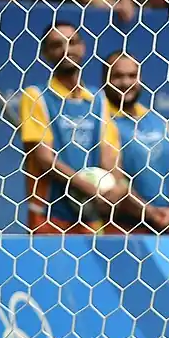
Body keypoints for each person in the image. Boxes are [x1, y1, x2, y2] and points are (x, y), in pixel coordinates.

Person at [19, 21, 127, 234]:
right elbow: (44, 159)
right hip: (49, 215)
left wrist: (116, 186)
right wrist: (89, 188)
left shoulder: (98, 99)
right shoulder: (36, 96)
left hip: (90, 216)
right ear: (45, 54)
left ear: (83, 47)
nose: (66, 49)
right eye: (57, 45)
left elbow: (108, 154)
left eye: (72, 42)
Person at [101, 51, 169, 235]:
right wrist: (151, 214)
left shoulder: (158, 121)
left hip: (163, 228)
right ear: (104, 79)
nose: (126, 83)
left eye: (132, 76)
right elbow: (115, 179)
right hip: (120, 230)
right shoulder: (100, 120)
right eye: (118, 76)